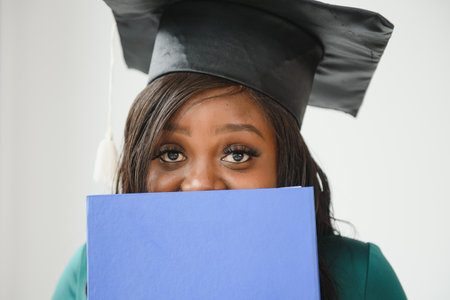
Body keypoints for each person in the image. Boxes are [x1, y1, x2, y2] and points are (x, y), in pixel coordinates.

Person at [53, 0, 407, 299]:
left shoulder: (360, 277)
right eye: (171, 153)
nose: (200, 184)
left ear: (286, 162)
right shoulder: (91, 270)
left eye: (237, 154)